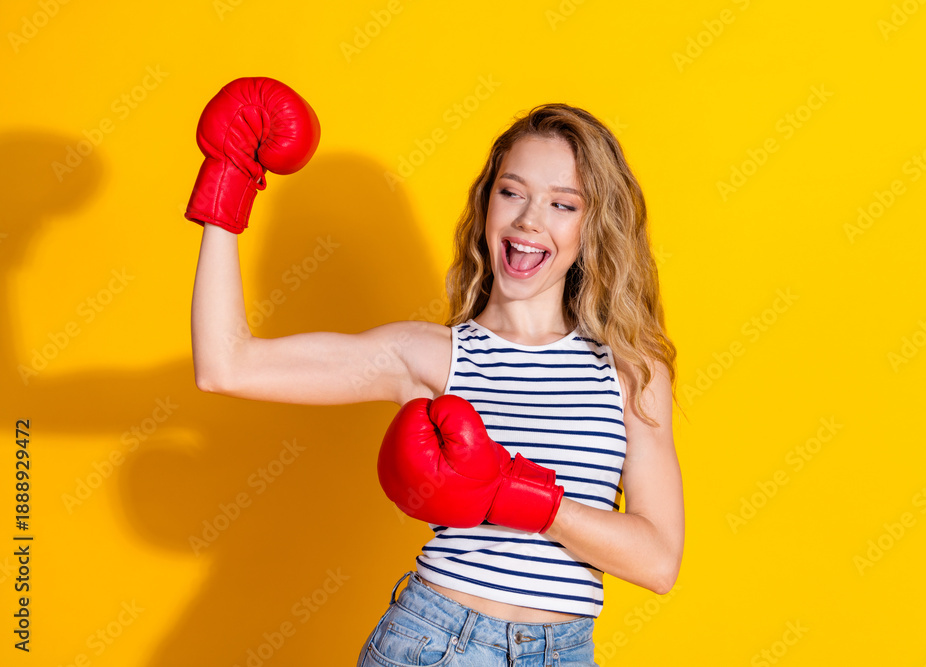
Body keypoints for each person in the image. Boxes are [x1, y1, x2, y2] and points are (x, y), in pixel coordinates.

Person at [187, 77, 684, 666]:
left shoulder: (631, 368)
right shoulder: (433, 355)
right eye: (511, 192)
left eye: (562, 203)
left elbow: (657, 562)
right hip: (439, 644)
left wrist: (512, 491)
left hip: (566, 652)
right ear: (485, 206)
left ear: (592, 227)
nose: (529, 220)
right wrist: (227, 182)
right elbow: (226, 364)